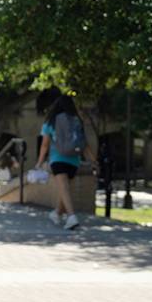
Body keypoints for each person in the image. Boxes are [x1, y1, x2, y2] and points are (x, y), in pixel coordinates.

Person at [38, 94, 90, 230]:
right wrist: (94, 160)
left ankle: (72, 217)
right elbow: (84, 143)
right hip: (74, 160)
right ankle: (56, 213)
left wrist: (39, 162)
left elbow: (44, 145)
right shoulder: (77, 120)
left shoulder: (51, 121)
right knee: (65, 190)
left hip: (58, 159)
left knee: (64, 189)